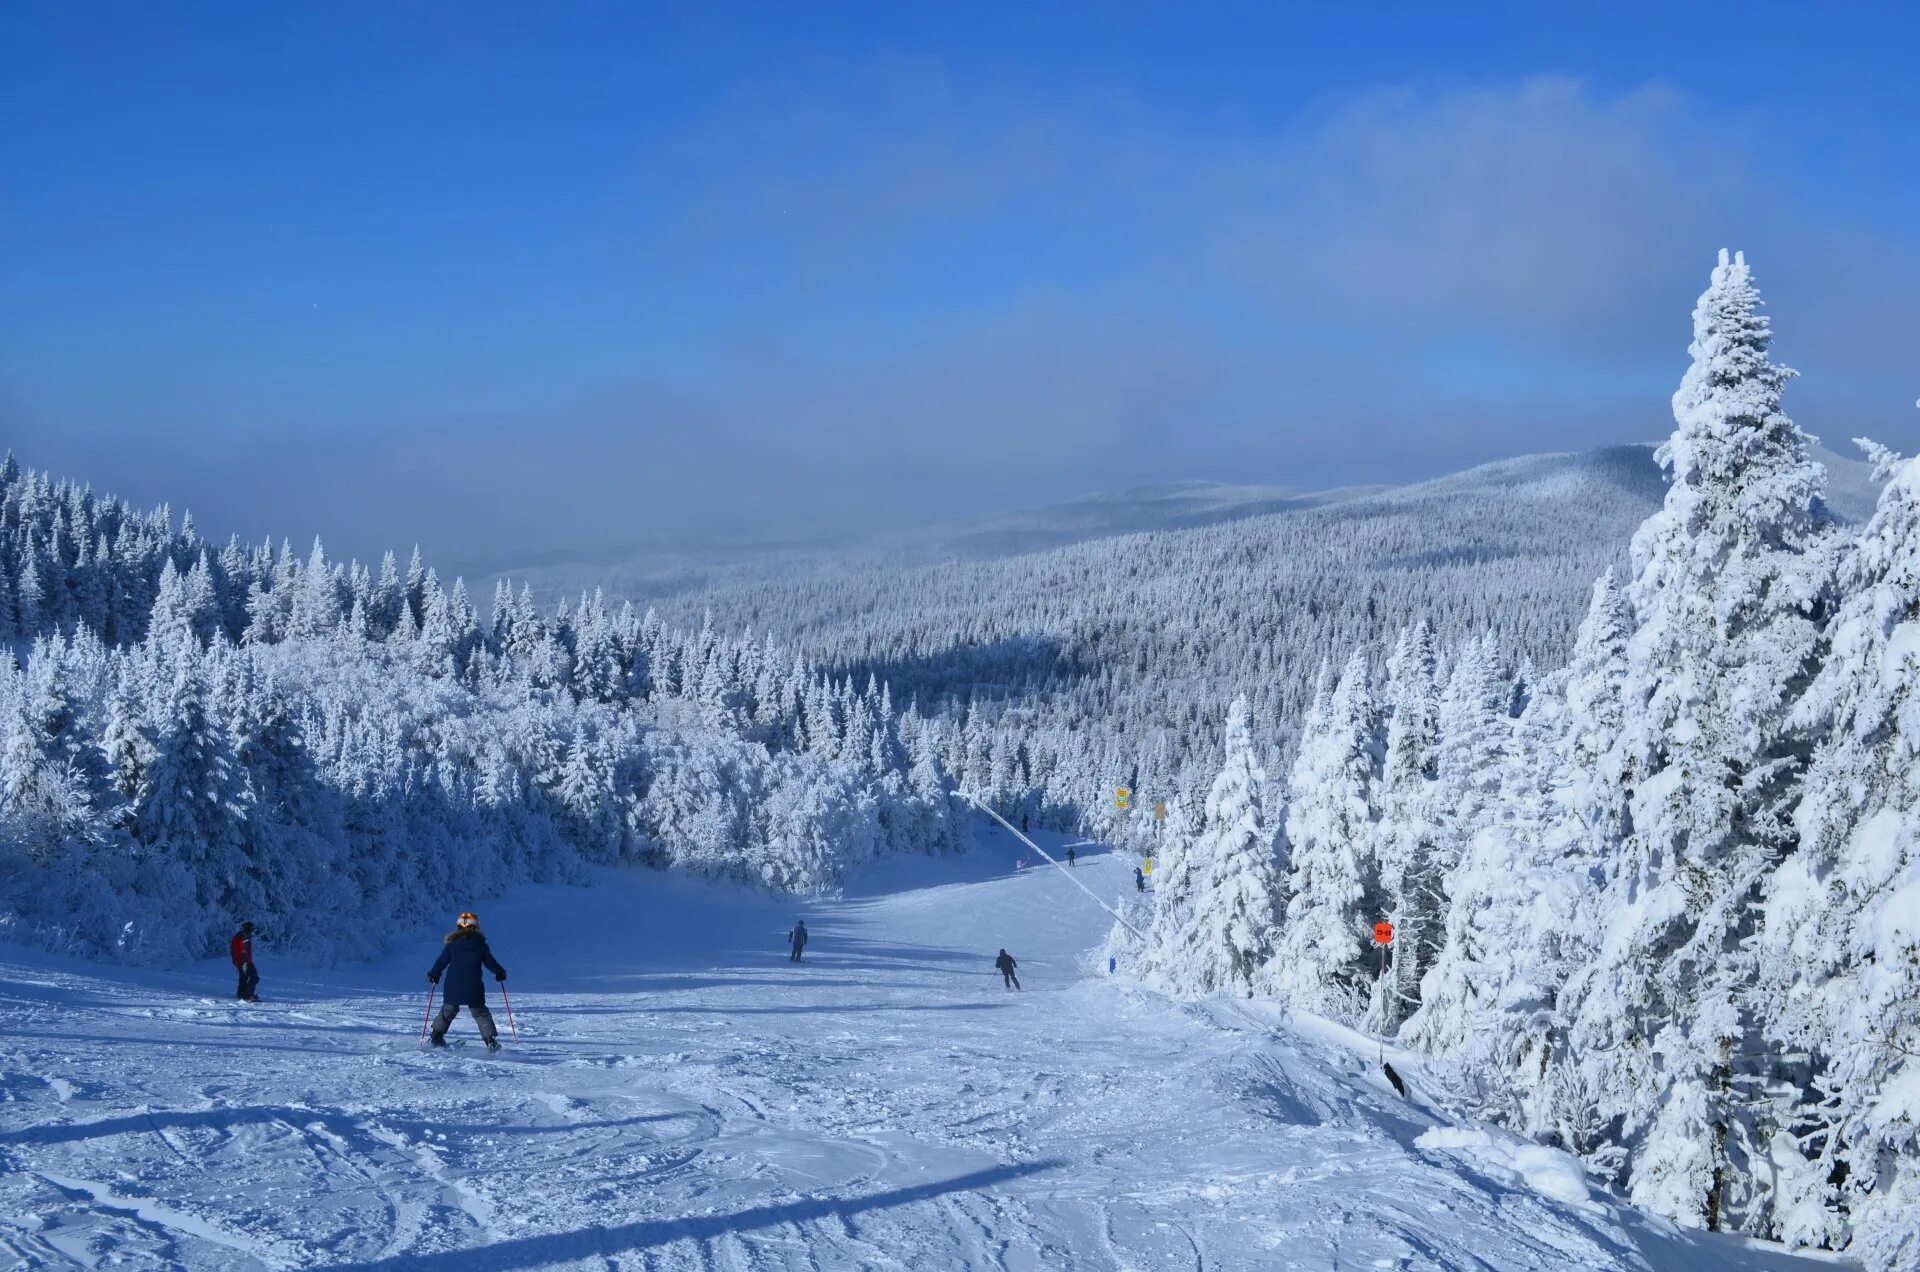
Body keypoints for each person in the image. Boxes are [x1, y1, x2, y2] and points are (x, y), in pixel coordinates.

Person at [427, 912, 507, 1051]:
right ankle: (490, 1042)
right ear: (476, 927)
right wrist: (499, 973)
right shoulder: (481, 946)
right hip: (473, 986)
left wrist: (434, 974)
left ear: (458, 927)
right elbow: (490, 963)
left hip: (453, 985)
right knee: (480, 1013)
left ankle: (435, 1037)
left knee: (448, 1011)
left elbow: (441, 962)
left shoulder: (452, 945)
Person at [230, 922, 260, 1002]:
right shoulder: (244, 937)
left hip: (242, 961)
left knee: (244, 977)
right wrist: (245, 962)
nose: (253, 930)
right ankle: (248, 996)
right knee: (253, 977)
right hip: (244, 961)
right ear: (248, 929)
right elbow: (244, 951)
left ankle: (241, 994)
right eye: (252, 928)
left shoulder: (241, 935)